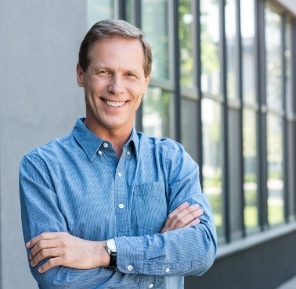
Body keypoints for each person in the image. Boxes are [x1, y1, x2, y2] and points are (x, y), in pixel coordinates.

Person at [19, 19, 217, 289]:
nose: (116, 87)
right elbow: (58, 279)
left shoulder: (172, 160)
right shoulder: (42, 168)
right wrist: (159, 259)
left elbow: (201, 249)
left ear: (145, 82)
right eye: (103, 72)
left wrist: (101, 252)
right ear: (81, 74)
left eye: (130, 75)